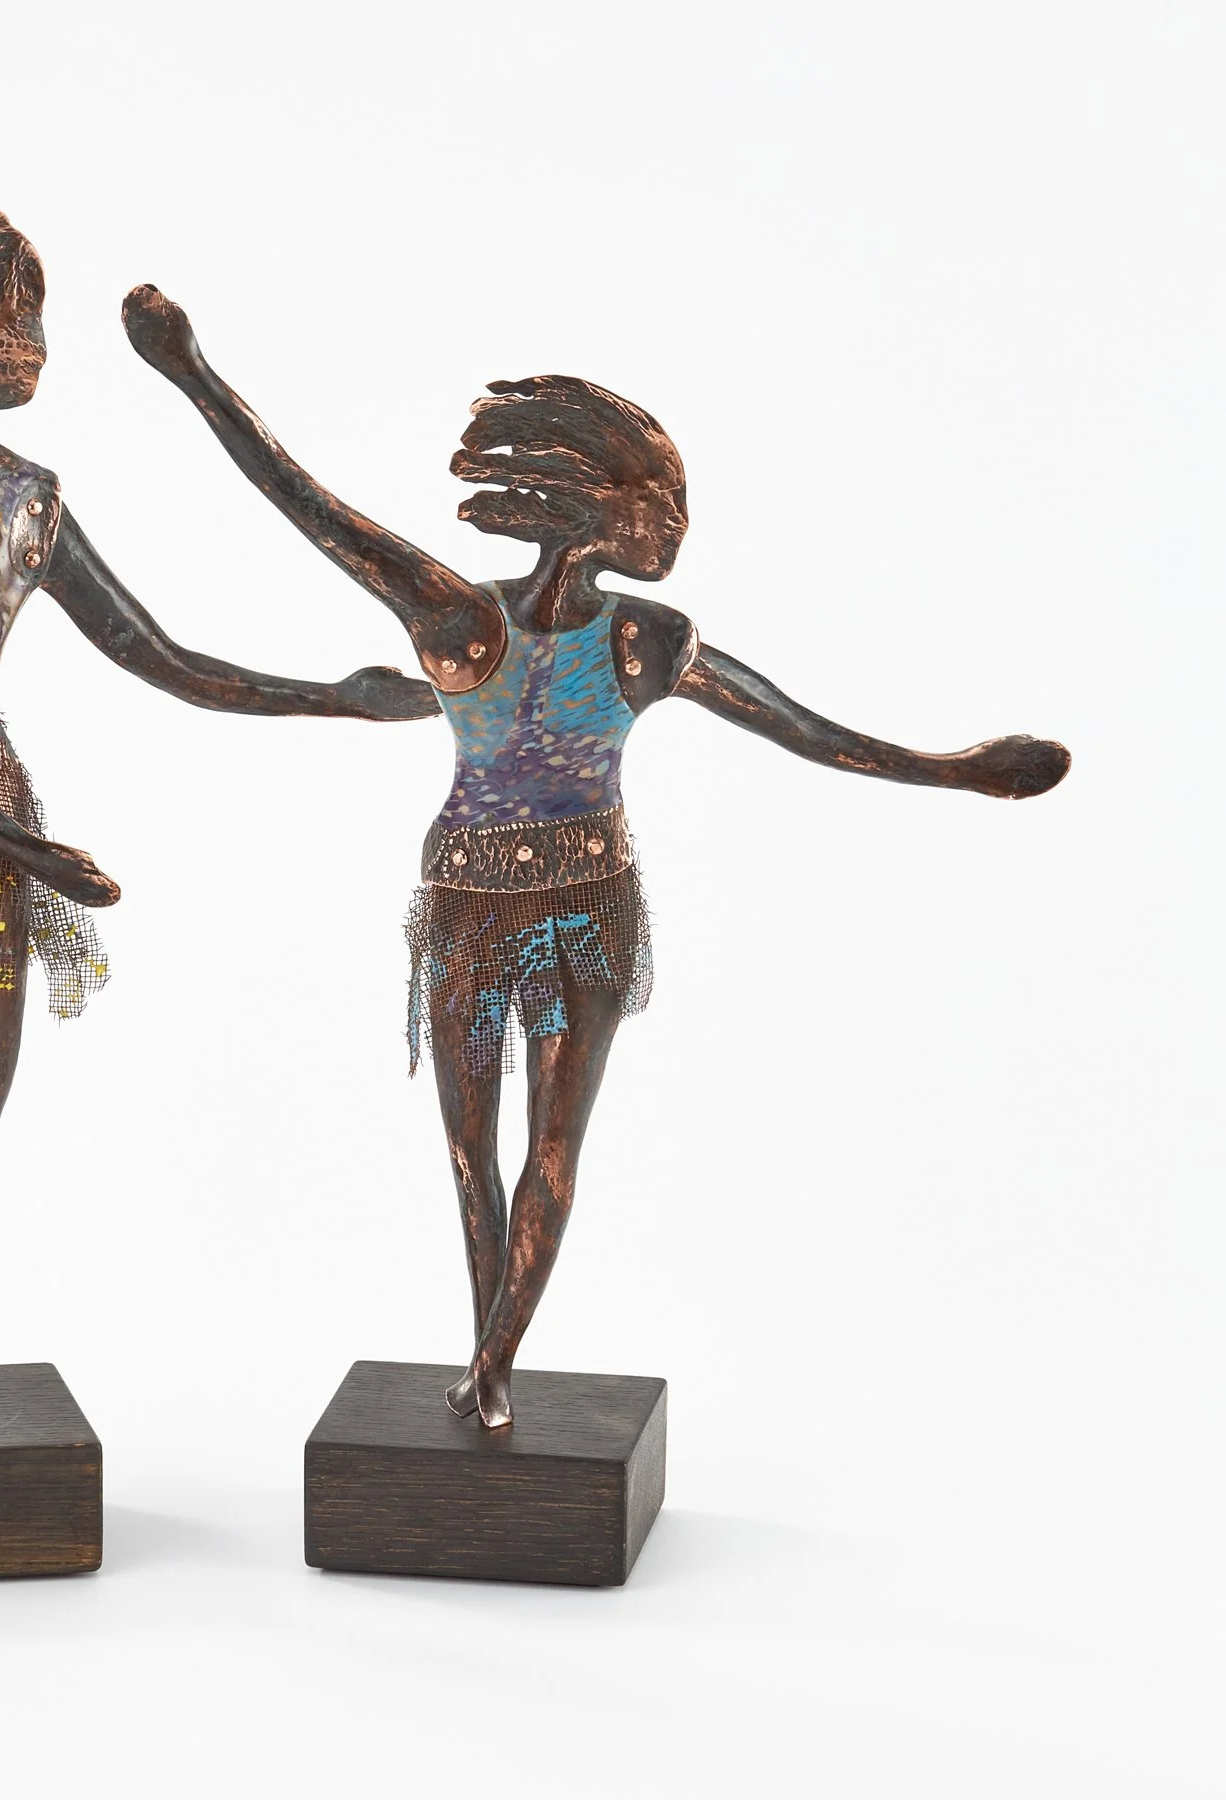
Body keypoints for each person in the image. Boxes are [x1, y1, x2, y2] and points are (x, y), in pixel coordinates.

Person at [120, 283, 1069, 1428]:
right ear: (596, 508)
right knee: (476, 1150)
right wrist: (190, 371)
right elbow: (308, 504)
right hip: (484, 905)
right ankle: (488, 1363)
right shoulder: (493, 623)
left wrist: (958, 768)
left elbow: (804, 730)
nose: (676, 527)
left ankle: (492, 1366)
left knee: (543, 1149)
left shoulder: (626, 638)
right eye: (662, 503)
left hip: (565, 905)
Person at [0, 201, 434, 1437]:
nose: (39, 341)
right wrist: (17, 841)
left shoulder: (29, 498)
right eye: (21, 311)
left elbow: (155, 653)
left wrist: (333, 696)